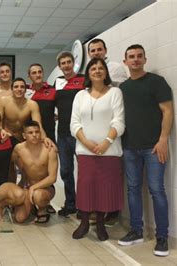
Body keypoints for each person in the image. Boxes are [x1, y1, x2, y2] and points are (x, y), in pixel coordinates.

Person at [117, 44, 173, 257]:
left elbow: (167, 111)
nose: (135, 60)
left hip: (153, 148)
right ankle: (136, 231)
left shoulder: (156, 82)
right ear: (125, 62)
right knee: (132, 190)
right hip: (130, 147)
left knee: (157, 191)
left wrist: (163, 139)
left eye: (139, 56)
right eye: (131, 57)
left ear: (145, 59)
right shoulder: (122, 88)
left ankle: (162, 237)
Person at [70, 58, 125, 241]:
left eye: (101, 68)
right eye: (93, 68)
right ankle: (84, 223)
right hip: (85, 151)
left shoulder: (115, 93)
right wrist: (86, 142)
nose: (97, 71)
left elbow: (119, 121)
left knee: (104, 189)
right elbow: (74, 123)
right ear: (88, 73)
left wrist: (106, 141)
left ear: (106, 72)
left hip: (109, 152)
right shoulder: (80, 96)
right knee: (86, 187)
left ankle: (100, 224)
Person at [87, 38, 128, 226]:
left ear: (105, 50)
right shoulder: (87, 74)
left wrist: (108, 138)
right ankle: (97, 209)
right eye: (93, 50)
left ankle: (110, 211)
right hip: (92, 134)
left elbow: (118, 96)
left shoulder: (116, 68)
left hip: (111, 130)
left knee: (110, 176)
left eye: (99, 49)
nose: (96, 53)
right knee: (95, 176)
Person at [54, 51, 85, 217]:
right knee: (66, 170)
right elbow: (54, 103)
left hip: (80, 133)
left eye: (68, 62)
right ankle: (71, 203)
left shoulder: (83, 80)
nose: (66, 65)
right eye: (63, 63)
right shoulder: (57, 83)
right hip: (63, 133)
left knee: (84, 170)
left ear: (74, 63)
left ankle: (84, 206)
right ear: (59, 66)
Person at [11, 121, 58, 223]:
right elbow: (10, 162)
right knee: (19, 218)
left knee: (38, 195)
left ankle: (42, 209)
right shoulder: (19, 148)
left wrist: (33, 187)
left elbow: (52, 177)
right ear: (24, 135)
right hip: (26, 186)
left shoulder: (50, 149)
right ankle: (31, 207)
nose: (34, 135)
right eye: (30, 132)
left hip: (45, 188)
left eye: (37, 132)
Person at [0, 78, 49, 143]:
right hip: (5, 137)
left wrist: (45, 138)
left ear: (25, 90)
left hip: (22, 139)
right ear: (12, 89)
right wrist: (1, 130)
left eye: (22, 87)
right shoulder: (3, 101)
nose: (19, 89)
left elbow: (38, 125)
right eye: (16, 87)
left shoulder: (32, 104)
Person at [27, 63, 56, 143]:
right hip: (30, 135)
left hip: (49, 133)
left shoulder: (53, 90)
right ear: (29, 76)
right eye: (34, 73)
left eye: (40, 72)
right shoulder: (25, 92)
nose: (38, 75)